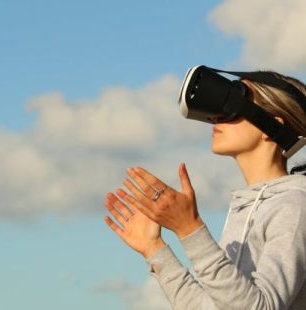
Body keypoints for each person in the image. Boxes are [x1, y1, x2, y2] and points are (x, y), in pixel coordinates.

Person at [104, 69, 306, 309]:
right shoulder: (244, 209)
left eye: (233, 102)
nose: (215, 117)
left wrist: (189, 229)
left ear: (270, 127)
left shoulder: (294, 206)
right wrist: (154, 249)